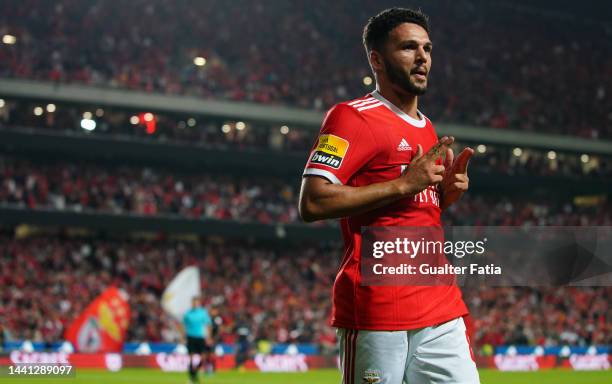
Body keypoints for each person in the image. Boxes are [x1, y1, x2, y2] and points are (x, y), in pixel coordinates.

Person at [299, 7, 479, 384]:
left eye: (427, 49)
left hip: (439, 303)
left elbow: (407, 213)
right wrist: (404, 185)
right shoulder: (351, 117)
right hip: (379, 310)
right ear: (376, 60)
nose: (422, 58)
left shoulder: (427, 127)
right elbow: (313, 201)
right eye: (408, 48)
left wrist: (441, 197)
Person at [182, 296, 213, 384]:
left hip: (200, 337)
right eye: (193, 302)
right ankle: (192, 377)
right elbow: (183, 325)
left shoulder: (203, 313)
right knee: (191, 358)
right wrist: (183, 336)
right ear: (192, 303)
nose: (195, 304)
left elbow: (208, 325)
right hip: (190, 337)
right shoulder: (187, 314)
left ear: (199, 303)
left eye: (196, 302)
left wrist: (209, 337)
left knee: (203, 358)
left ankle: (194, 373)